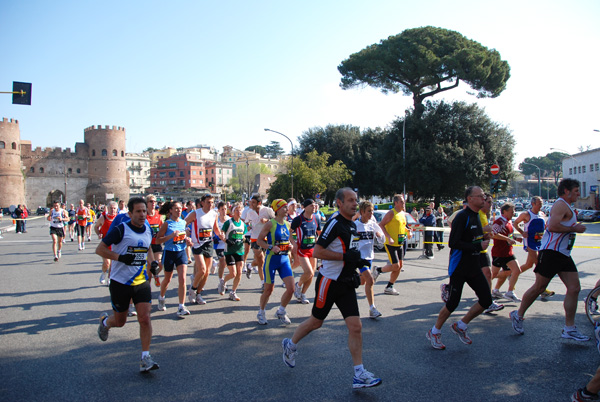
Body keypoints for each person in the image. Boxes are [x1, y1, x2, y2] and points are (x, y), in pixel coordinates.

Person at [281, 188, 381, 389]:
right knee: (316, 322)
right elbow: (318, 250)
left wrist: (362, 268)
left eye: (356, 200)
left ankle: (359, 374)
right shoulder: (335, 223)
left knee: (356, 327)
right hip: (329, 282)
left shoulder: (353, 225)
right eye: (350, 200)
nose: (355, 203)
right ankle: (290, 345)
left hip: (346, 282)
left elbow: (353, 252)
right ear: (339, 203)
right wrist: (345, 258)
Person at [510, 178, 589, 341]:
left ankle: (569, 328)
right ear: (566, 191)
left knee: (574, 288)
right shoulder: (560, 204)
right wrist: (574, 228)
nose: (578, 194)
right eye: (575, 191)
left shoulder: (567, 206)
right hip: (551, 252)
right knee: (539, 287)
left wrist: (573, 226)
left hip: (563, 254)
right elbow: (552, 226)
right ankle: (518, 315)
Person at [95, 197, 160, 372]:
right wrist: (120, 257)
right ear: (130, 213)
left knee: (145, 318)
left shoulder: (147, 229)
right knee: (120, 321)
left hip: (141, 281)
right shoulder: (120, 229)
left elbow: (148, 249)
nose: (142, 215)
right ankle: (106, 322)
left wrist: (152, 263)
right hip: (120, 282)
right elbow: (100, 249)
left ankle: (145, 358)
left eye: (144, 211)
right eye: (138, 211)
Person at [426, 186, 492, 350]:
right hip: (459, 267)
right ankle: (434, 331)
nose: (484, 198)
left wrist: (483, 239)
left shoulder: (477, 216)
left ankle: (461, 325)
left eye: (484, 196)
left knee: (486, 300)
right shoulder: (462, 217)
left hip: (474, 266)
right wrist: (477, 246)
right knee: (453, 303)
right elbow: (453, 243)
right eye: (480, 196)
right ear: (470, 199)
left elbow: (474, 239)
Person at [256, 199, 297, 325]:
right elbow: (259, 241)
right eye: (284, 207)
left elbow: (290, 240)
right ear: (277, 210)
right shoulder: (270, 224)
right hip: (272, 260)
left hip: (284, 260)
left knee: (291, 288)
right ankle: (261, 312)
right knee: (269, 290)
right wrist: (270, 247)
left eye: (286, 207)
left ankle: (281, 311)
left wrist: (290, 246)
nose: (286, 210)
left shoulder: (287, 224)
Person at [512, 196, 555, 300]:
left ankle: (513, 275)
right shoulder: (526, 214)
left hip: (540, 242)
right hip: (530, 243)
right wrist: (522, 232)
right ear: (533, 204)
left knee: (529, 265)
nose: (541, 205)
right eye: (539, 203)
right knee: (539, 265)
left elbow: (544, 227)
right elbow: (515, 223)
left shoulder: (541, 214)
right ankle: (542, 289)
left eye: (541, 203)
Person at [185, 194, 223, 305]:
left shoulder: (214, 214)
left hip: (208, 243)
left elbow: (215, 228)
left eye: (212, 202)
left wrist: (220, 235)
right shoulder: (195, 213)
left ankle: (199, 294)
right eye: (208, 202)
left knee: (206, 272)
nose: (210, 205)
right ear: (202, 203)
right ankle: (192, 289)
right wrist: (187, 233)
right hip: (197, 244)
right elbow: (183, 223)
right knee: (201, 269)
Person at [155, 201, 192, 317]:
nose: (179, 210)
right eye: (176, 208)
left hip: (181, 252)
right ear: (170, 210)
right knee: (168, 279)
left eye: (180, 208)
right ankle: (161, 297)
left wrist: (187, 240)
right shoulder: (167, 224)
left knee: (182, 279)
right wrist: (171, 236)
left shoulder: (183, 222)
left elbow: (184, 236)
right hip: (169, 253)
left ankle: (181, 306)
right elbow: (157, 240)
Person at [372, 194, 411, 295]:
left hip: (400, 243)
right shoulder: (391, 213)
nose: (404, 203)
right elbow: (381, 225)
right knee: (395, 266)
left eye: (404, 201)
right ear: (396, 203)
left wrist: (408, 232)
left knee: (399, 266)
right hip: (390, 244)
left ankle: (390, 286)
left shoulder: (402, 213)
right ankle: (378, 270)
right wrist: (388, 237)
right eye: (402, 202)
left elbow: (403, 226)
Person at [355, 201, 385, 318]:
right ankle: (372, 308)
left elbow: (382, 240)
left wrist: (379, 235)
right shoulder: (355, 225)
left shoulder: (373, 224)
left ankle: (349, 283)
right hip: (359, 257)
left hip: (369, 256)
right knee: (370, 280)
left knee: (363, 282)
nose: (371, 213)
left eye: (372, 211)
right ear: (362, 212)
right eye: (369, 211)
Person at [490, 203, 523, 302]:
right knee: (494, 274)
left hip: (508, 252)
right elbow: (493, 234)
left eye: (513, 211)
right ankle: (483, 284)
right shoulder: (499, 222)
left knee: (516, 270)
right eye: (511, 211)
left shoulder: (509, 222)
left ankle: (509, 292)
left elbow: (509, 235)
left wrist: (516, 238)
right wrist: (508, 239)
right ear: (504, 212)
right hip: (499, 253)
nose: (513, 213)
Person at [291, 199, 322, 304]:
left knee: (312, 274)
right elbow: (289, 232)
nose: (314, 207)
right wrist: (294, 243)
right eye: (311, 206)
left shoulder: (316, 218)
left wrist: (321, 243)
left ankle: (302, 295)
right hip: (302, 250)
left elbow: (319, 232)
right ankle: (298, 285)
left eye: (314, 205)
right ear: (304, 207)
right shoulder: (298, 219)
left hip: (313, 250)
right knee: (308, 272)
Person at [221, 202, 247, 301]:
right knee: (233, 273)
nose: (239, 212)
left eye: (240, 210)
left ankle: (233, 292)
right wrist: (226, 240)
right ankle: (223, 281)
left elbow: (243, 235)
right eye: (236, 210)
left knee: (239, 273)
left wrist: (245, 239)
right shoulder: (228, 223)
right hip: (229, 251)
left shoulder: (243, 224)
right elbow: (222, 233)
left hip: (239, 250)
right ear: (232, 212)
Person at [246, 195, 271, 288]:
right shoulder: (249, 212)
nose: (251, 204)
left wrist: (267, 220)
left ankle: (250, 265)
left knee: (261, 261)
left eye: (253, 202)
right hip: (254, 238)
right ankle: (263, 283)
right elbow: (246, 222)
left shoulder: (267, 210)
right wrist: (247, 226)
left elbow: (275, 219)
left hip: (265, 238)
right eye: (251, 202)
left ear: (259, 203)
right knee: (261, 260)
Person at [94, 201, 118, 285]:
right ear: (108, 209)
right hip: (105, 244)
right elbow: (96, 227)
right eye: (111, 208)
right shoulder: (103, 218)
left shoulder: (118, 218)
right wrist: (99, 233)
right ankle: (103, 273)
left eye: (114, 208)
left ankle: (109, 278)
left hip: (115, 244)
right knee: (107, 263)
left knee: (112, 264)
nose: (112, 210)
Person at [145, 195, 163, 287]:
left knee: (160, 264)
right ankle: (147, 288)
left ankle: (155, 274)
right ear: (147, 203)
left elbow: (162, 228)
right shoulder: (144, 216)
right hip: (148, 245)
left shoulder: (159, 215)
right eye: (151, 201)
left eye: (154, 201)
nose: (153, 203)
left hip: (157, 243)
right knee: (150, 267)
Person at [215, 201, 230, 294]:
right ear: (219, 210)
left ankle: (224, 280)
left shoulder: (229, 220)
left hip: (228, 245)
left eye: (225, 209)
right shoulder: (216, 221)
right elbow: (213, 232)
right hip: (219, 245)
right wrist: (217, 236)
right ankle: (221, 281)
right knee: (222, 260)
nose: (224, 211)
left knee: (226, 264)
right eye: (222, 209)